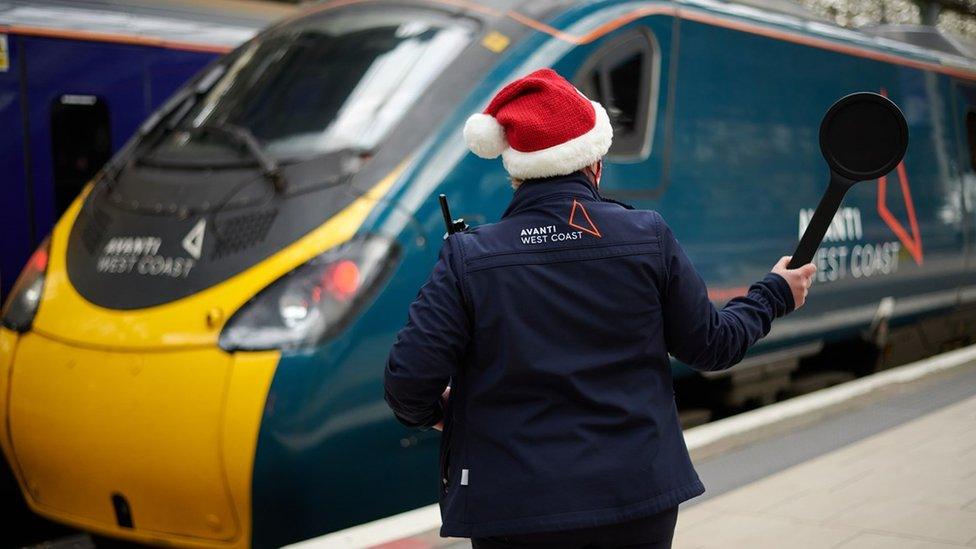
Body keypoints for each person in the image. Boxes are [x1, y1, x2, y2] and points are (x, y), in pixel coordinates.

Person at [384, 68, 816, 549]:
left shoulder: (470, 256)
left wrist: (446, 411)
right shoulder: (647, 235)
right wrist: (774, 292)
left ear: (515, 174)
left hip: (514, 511)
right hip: (635, 499)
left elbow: (407, 380)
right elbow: (713, 345)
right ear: (595, 164)